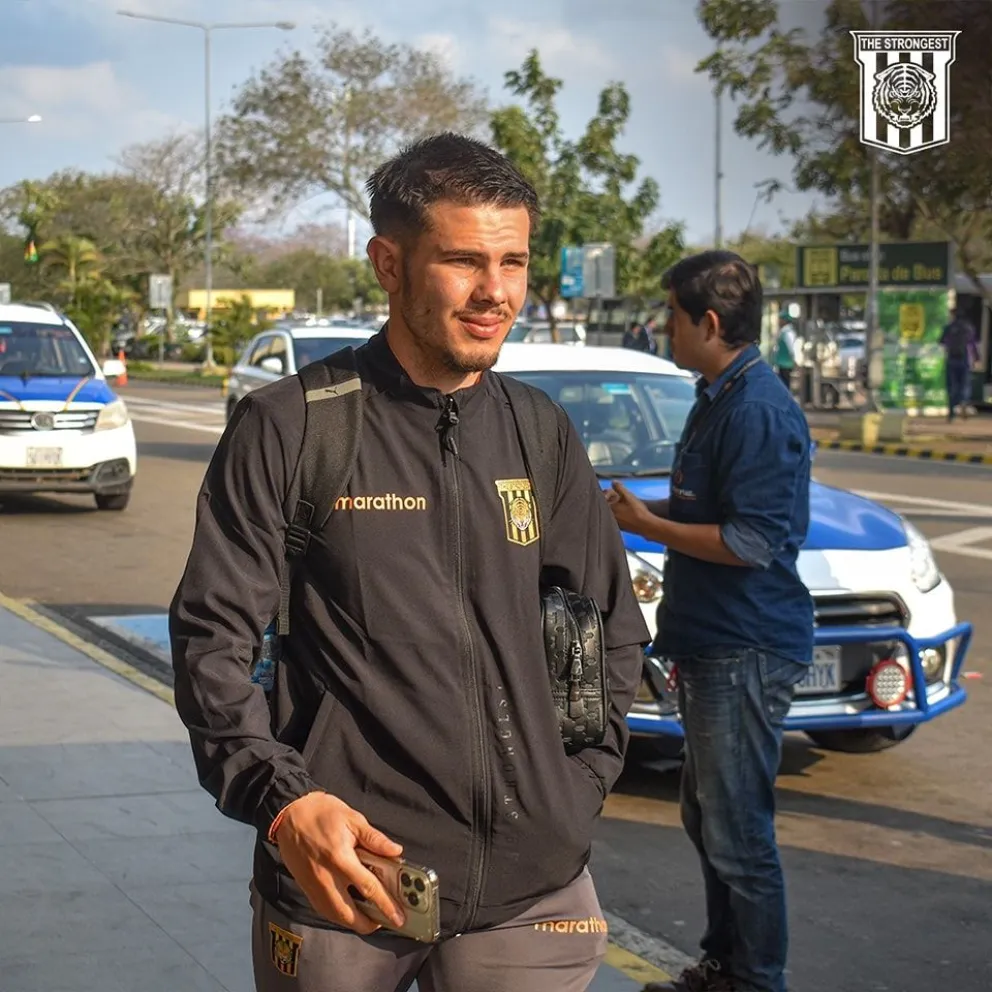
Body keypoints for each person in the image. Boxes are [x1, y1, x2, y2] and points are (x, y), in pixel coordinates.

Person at [169, 132, 649, 992]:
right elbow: (210, 639)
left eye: (514, 262)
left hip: (533, 892)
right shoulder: (293, 427)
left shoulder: (541, 432)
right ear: (387, 264)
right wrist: (284, 806)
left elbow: (610, 627)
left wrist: (574, 793)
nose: (496, 293)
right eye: (463, 261)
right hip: (346, 879)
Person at [605, 251, 813, 992]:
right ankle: (723, 965)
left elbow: (750, 542)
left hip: (745, 644)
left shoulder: (757, 409)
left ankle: (755, 980)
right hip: (713, 640)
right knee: (709, 821)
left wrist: (648, 528)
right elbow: (706, 513)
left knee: (739, 835)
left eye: (672, 316)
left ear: (710, 323)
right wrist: (642, 512)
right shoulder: (718, 394)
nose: (665, 329)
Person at [940, 306, 978, 421]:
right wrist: (976, 358)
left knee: (952, 385)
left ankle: (951, 412)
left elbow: (941, 341)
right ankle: (963, 403)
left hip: (952, 358)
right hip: (964, 359)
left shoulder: (949, 327)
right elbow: (972, 344)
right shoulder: (968, 328)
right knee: (964, 384)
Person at [771, 319, 797, 391]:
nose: (779, 321)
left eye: (781, 319)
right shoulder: (783, 331)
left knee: (785, 383)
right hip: (782, 362)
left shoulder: (788, 332)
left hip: (786, 363)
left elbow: (792, 347)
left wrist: (794, 359)